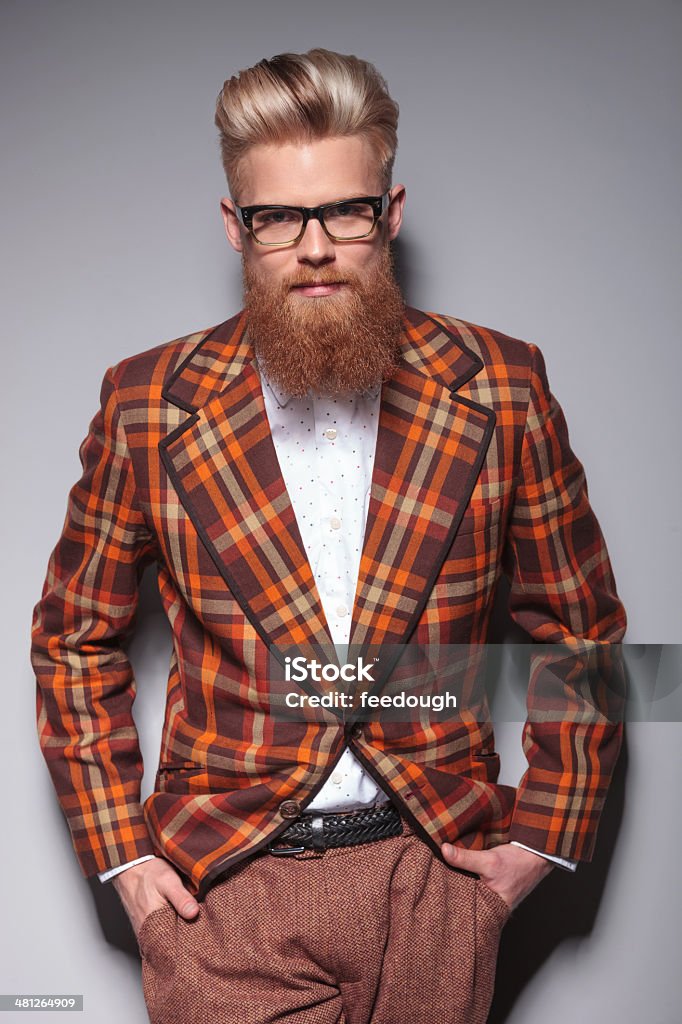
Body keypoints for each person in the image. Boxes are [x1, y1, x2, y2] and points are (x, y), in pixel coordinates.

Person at [31, 48, 627, 1024]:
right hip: (223, 892)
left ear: (390, 211)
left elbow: (586, 630)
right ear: (236, 225)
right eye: (277, 218)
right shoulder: (147, 401)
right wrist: (125, 862)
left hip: (433, 874)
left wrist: (544, 838)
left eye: (345, 211)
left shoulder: (502, 385)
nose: (314, 247)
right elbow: (70, 638)